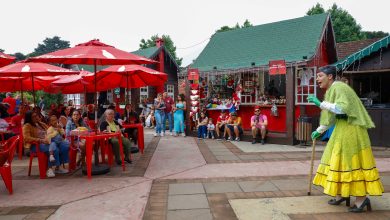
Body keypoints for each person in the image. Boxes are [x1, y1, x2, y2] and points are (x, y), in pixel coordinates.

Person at [308, 65, 383, 213]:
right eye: (317, 76)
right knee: (337, 160)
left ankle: (361, 199)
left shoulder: (340, 87)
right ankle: (340, 194)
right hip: (341, 128)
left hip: (352, 129)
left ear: (330, 77)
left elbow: (343, 108)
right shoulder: (331, 90)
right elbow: (330, 115)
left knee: (351, 162)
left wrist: (319, 103)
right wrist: (319, 130)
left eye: (320, 75)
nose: (317, 79)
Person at [22, 110, 61, 178]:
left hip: (47, 142)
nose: (36, 117)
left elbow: (49, 131)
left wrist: (56, 129)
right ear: (29, 118)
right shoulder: (27, 125)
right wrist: (40, 140)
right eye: (33, 117)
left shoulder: (41, 124)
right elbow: (26, 138)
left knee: (63, 146)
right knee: (54, 149)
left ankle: (57, 168)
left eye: (36, 116)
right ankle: (49, 169)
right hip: (35, 145)